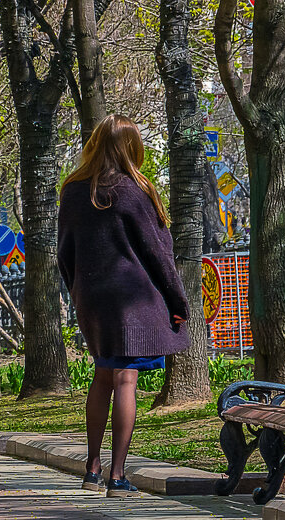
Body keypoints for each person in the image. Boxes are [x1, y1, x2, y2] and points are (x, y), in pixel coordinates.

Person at [56, 114, 189, 498]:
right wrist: (177, 300)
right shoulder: (133, 191)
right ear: (131, 147)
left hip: (92, 296)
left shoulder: (73, 190)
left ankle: (91, 468)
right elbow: (158, 253)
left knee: (103, 374)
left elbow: (63, 252)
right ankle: (117, 476)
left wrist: (79, 290)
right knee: (125, 378)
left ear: (96, 143)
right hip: (131, 294)